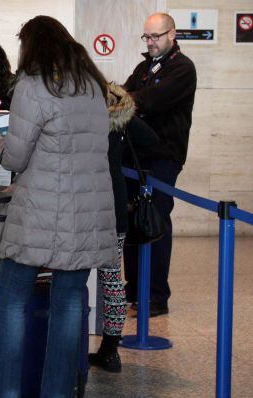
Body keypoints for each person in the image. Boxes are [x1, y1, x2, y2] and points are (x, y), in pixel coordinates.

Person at [0, 16, 117, 397]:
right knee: (70, 303)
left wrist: (0, 145)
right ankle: (58, 392)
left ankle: (5, 392)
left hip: (39, 214)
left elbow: (17, 157)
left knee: (12, 299)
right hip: (86, 215)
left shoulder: (33, 85)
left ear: (31, 46)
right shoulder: (92, 86)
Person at [122, 12, 197, 317]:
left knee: (155, 222)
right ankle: (133, 290)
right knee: (131, 221)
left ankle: (155, 296)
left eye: (156, 36)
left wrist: (126, 100)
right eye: (147, 37)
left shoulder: (182, 68)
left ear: (172, 34)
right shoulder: (144, 67)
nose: (150, 42)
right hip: (134, 157)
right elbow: (124, 94)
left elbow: (150, 101)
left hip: (163, 157)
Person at [88, 83, 159, 373]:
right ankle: (110, 350)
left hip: (83, 207)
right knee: (112, 280)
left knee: (71, 278)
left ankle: (69, 349)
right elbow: (151, 140)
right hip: (114, 206)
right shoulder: (119, 119)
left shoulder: (81, 118)